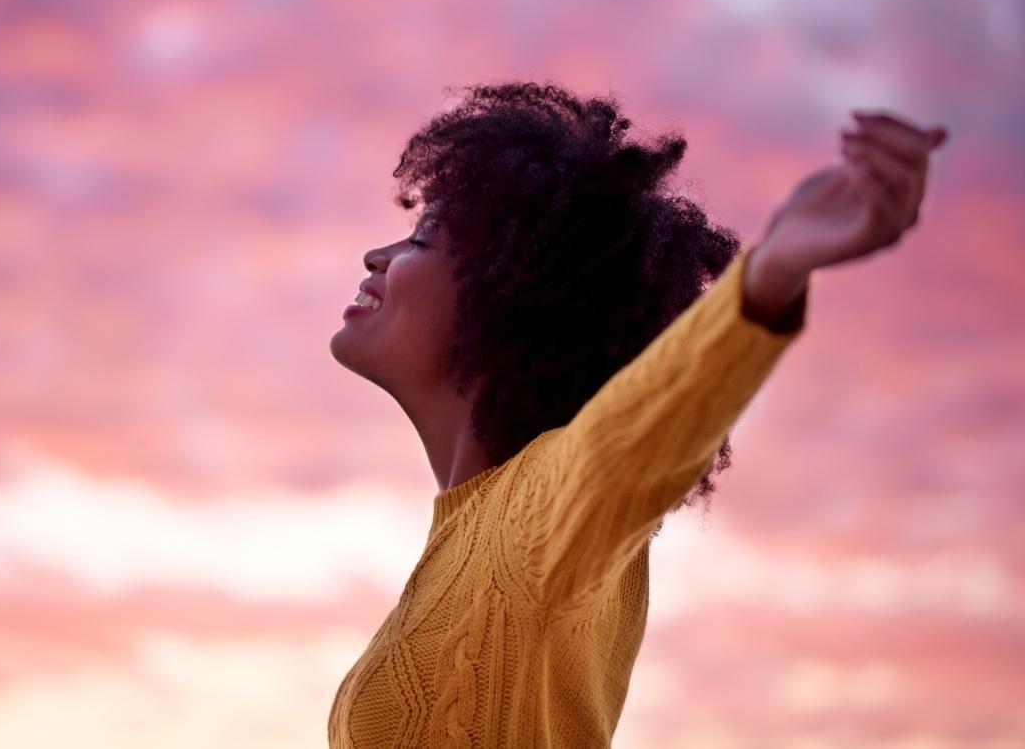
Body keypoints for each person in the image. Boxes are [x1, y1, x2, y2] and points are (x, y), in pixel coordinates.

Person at [326, 81, 949, 748]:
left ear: (508, 292)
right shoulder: (474, 532)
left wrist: (770, 274)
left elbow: (639, 432)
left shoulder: (540, 517)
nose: (377, 255)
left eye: (423, 238)